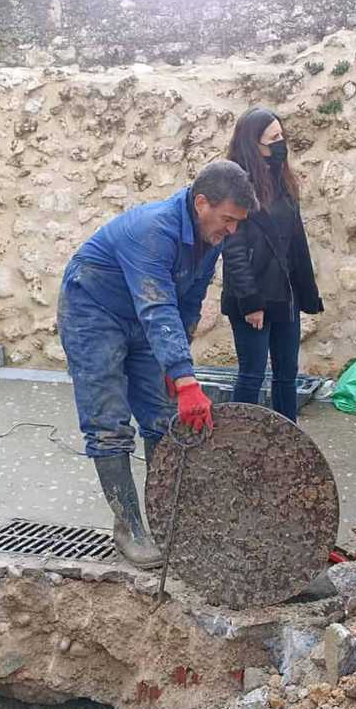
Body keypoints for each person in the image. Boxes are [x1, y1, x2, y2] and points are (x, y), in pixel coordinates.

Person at [58, 160, 258, 568]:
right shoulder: (152, 231)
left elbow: (188, 301)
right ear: (201, 203)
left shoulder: (210, 238)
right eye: (228, 219)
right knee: (108, 423)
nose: (232, 230)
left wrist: (176, 364)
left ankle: (167, 519)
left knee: (162, 420)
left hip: (143, 318)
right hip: (94, 312)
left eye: (238, 222)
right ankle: (129, 527)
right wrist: (187, 380)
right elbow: (157, 306)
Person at [221, 108, 323, 422]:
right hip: (253, 298)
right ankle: (238, 441)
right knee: (251, 375)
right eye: (273, 138)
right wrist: (251, 302)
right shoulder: (234, 184)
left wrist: (306, 294)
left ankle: (288, 441)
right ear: (254, 144)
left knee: (286, 377)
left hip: (285, 294)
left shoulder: (282, 182)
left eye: (282, 136)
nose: (281, 143)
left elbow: (296, 242)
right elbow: (233, 250)